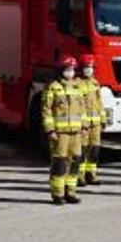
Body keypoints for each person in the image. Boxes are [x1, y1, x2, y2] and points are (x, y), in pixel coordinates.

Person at [42, 55, 85, 205]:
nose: (70, 72)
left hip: (76, 132)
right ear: (61, 70)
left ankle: (70, 192)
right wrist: (50, 130)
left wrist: (84, 127)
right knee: (60, 162)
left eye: (72, 70)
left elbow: (82, 110)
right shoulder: (53, 87)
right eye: (67, 69)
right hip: (60, 133)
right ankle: (57, 193)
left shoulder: (77, 87)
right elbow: (46, 110)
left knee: (75, 161)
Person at [77, 53, 104, 187]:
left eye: (91, 67)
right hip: (83, 125)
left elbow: (99, 103)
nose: (89, 69)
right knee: (82, 149)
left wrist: (103, 119)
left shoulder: (95, 83)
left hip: (96, 123)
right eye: (86, 67)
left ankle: (91, 174)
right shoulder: (77, 84)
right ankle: (79, 176)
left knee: (94, 150)